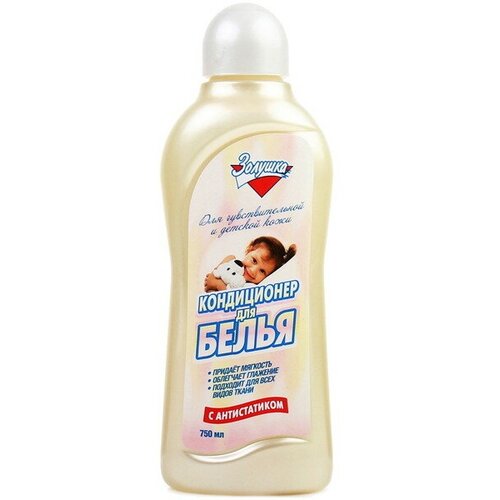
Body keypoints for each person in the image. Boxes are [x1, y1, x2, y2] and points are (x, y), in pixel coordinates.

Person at [204, 236, 296, 292]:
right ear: (249, 250)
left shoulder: (252, 288)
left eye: (262, 271)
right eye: (254, 261)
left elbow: (237, 300)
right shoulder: (230, 260)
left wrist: (218, 285)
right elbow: (210, 281)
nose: (253, 271)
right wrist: (217, 284)